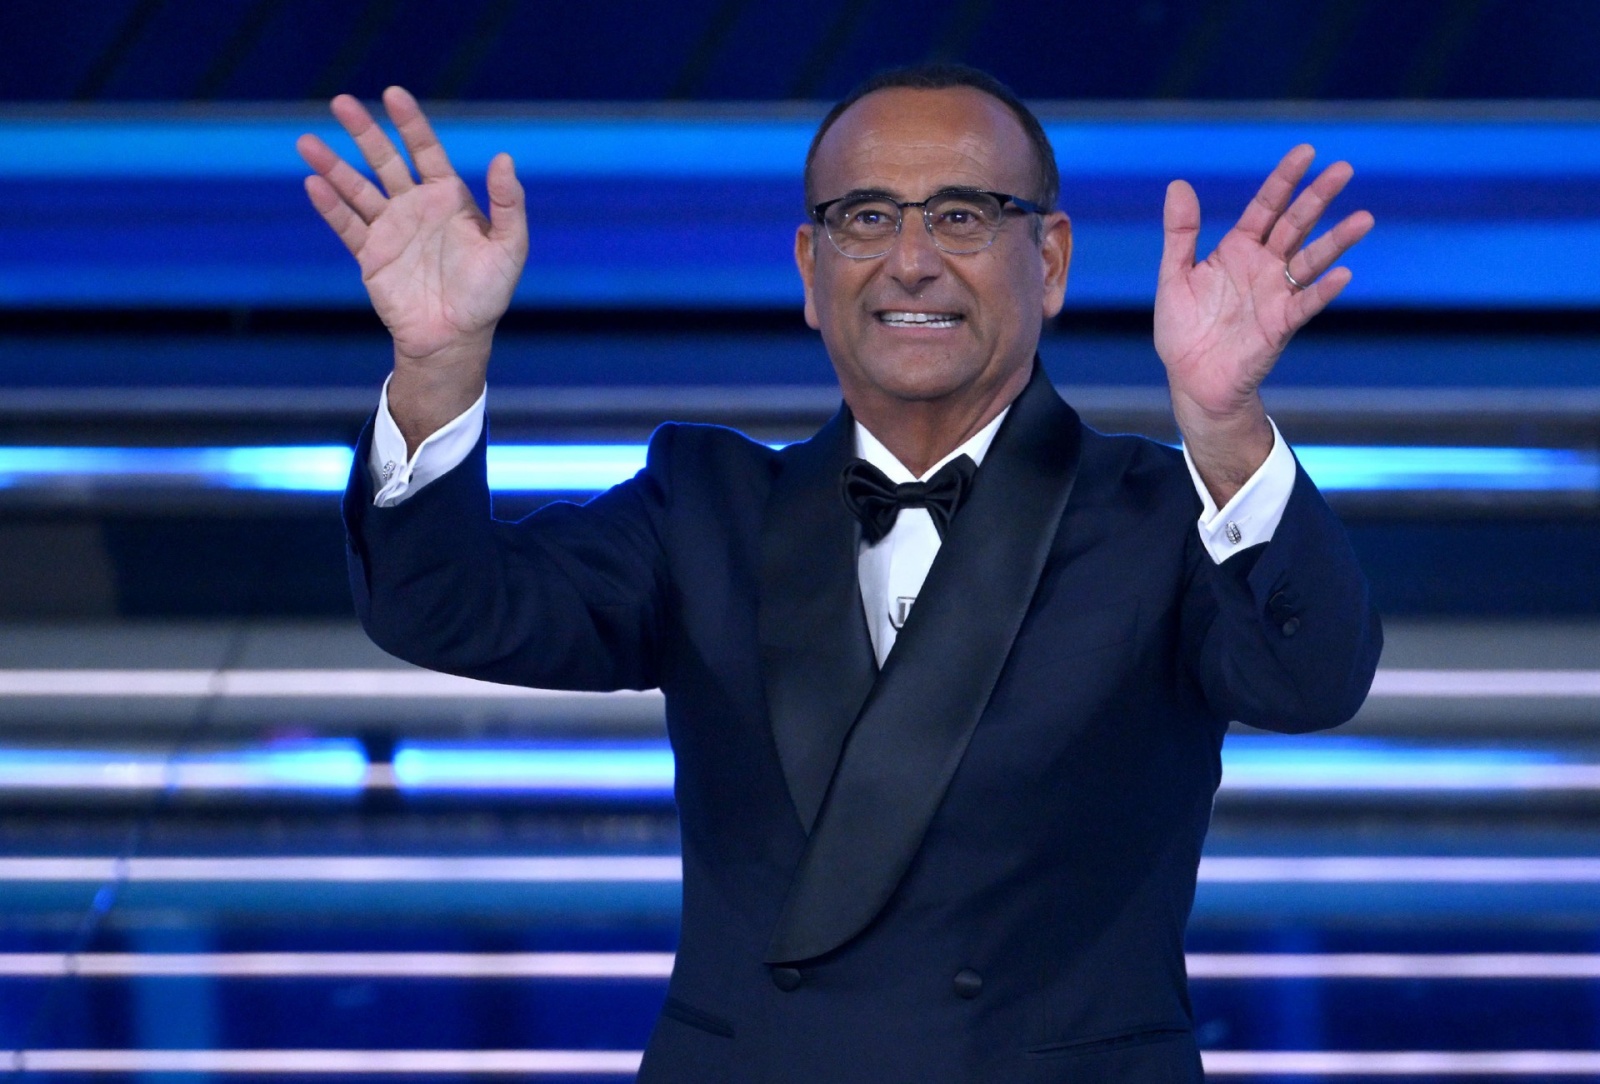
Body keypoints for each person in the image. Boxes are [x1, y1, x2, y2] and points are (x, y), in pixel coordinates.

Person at [299, 65, 1381, 1083]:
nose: (910, 258)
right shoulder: (703, 502)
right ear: (810, 271)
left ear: (1047, 260)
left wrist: (1227, 430)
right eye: (866, 217)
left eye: (961, 215)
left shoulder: (1163, 511)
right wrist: (437, 368)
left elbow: (1312, 680)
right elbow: (442, 607)